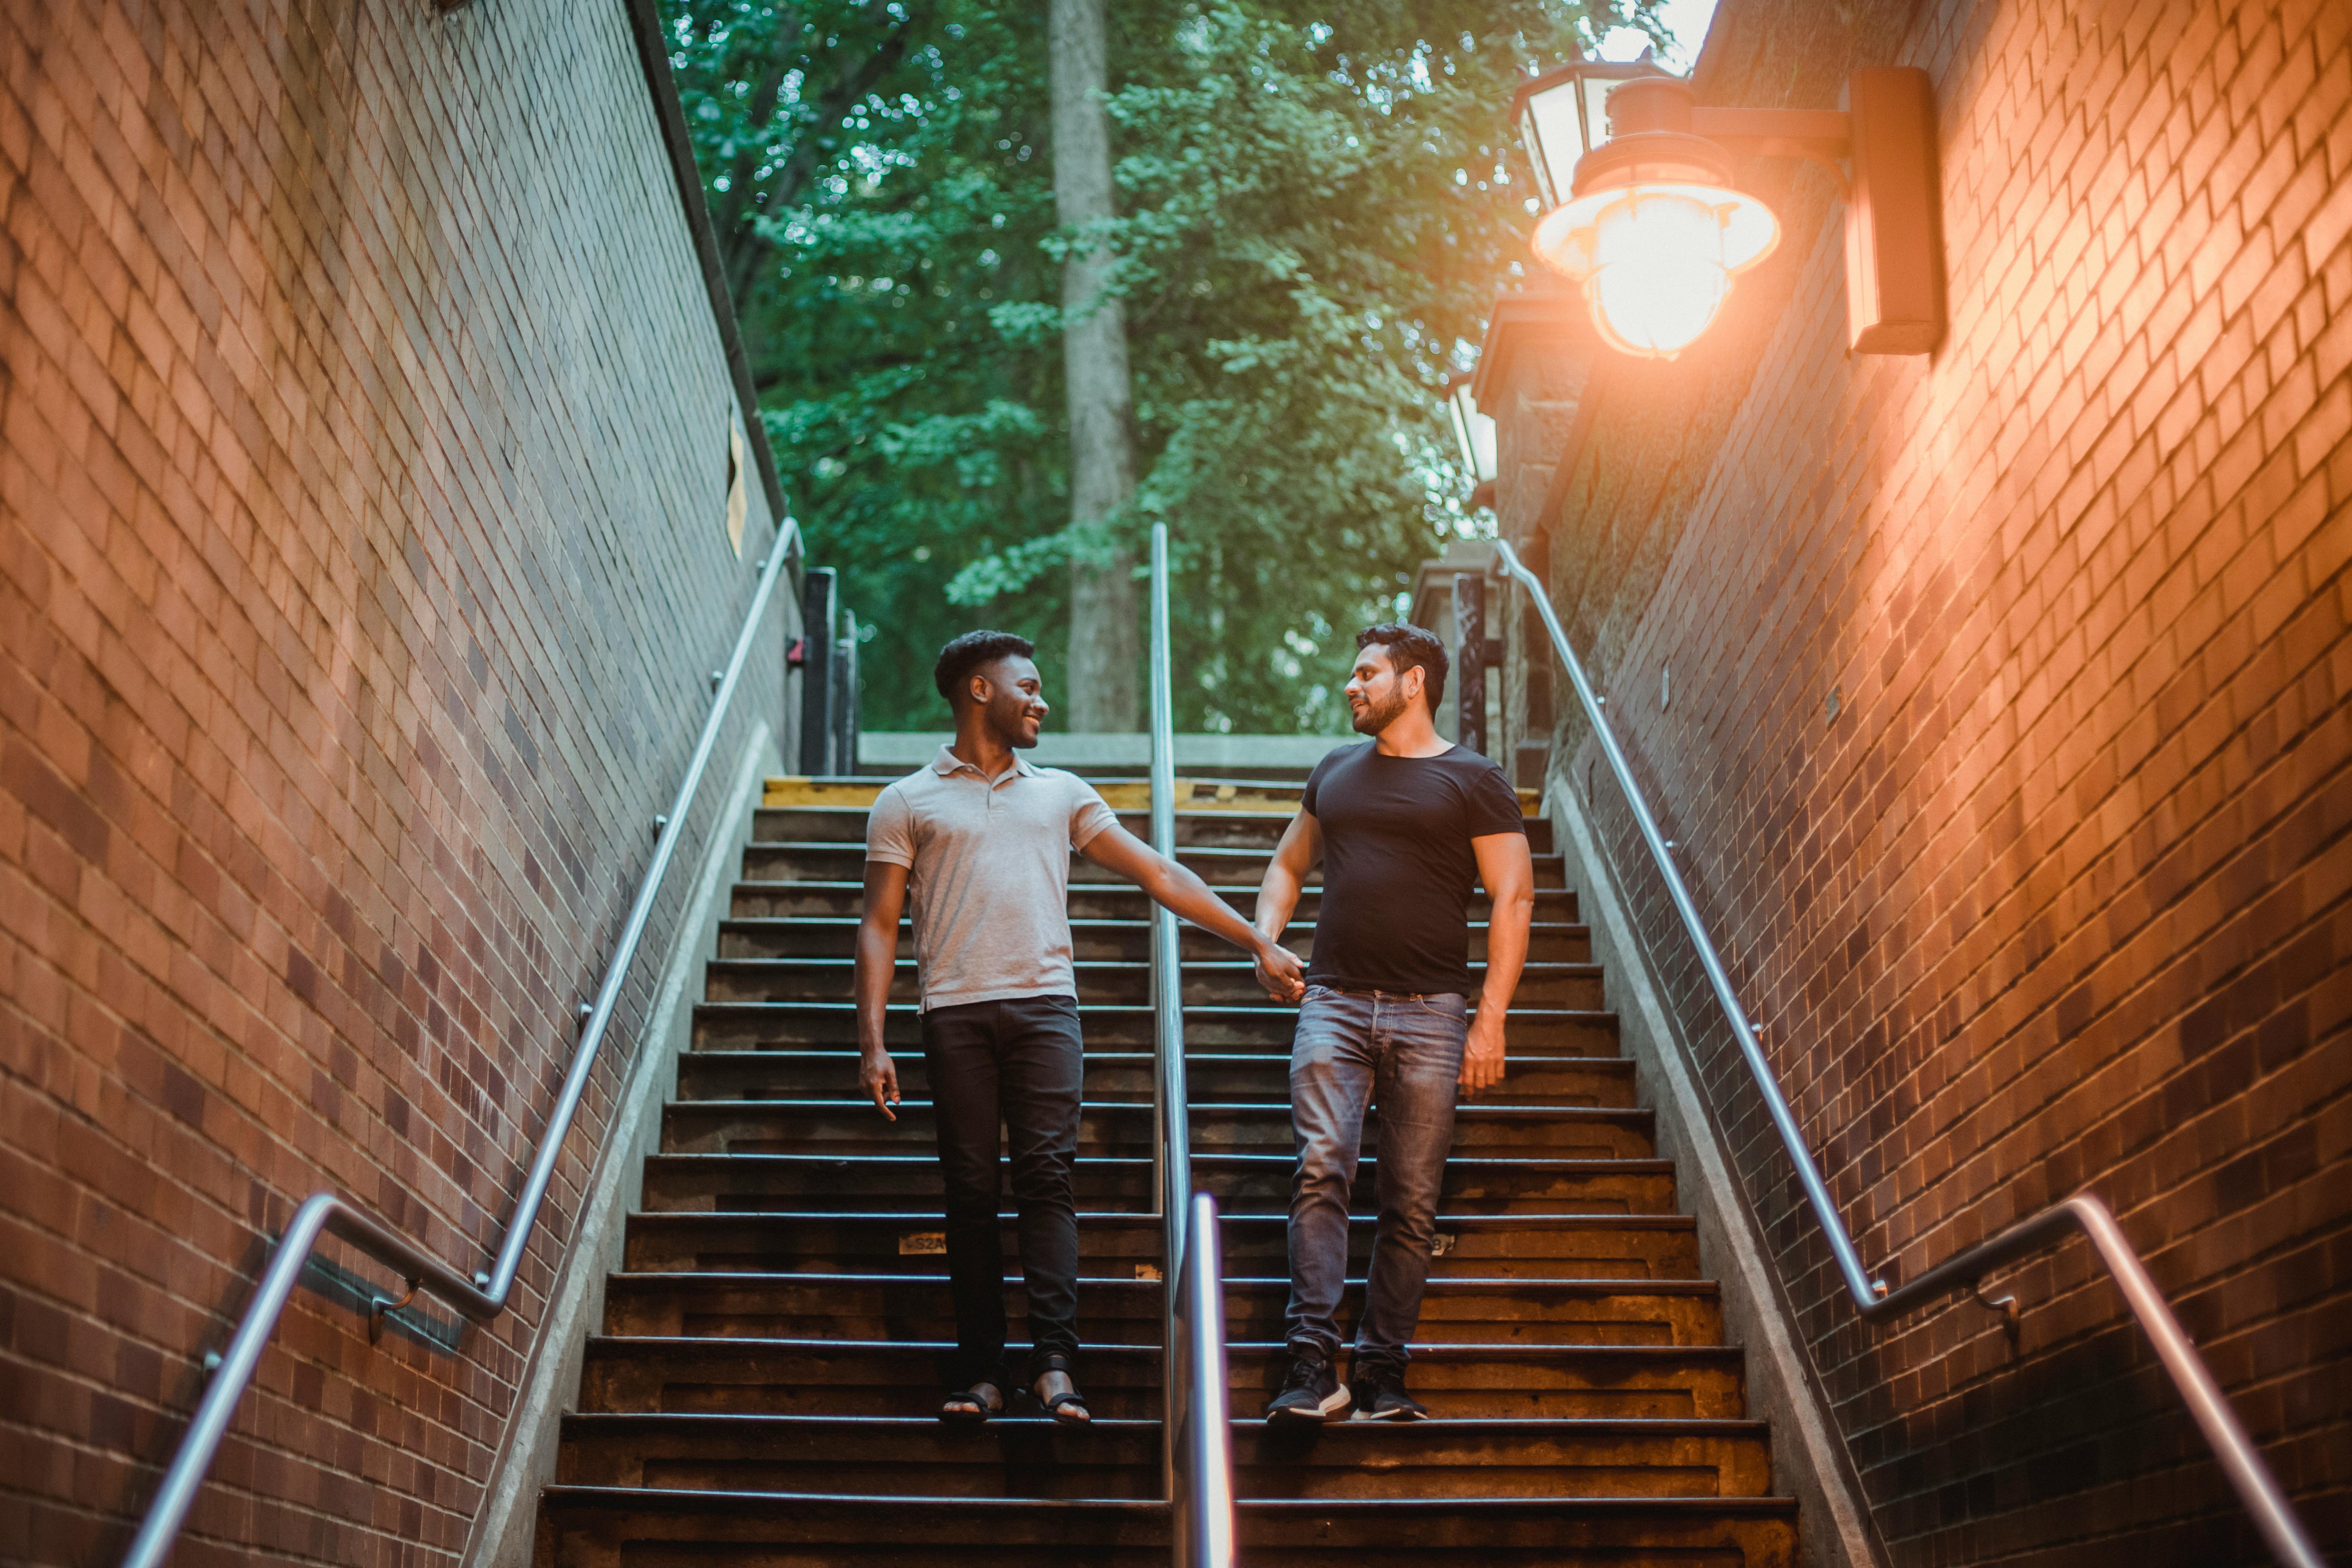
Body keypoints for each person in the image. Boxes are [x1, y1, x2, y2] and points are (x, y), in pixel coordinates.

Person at [857, 629, 1305, 1427]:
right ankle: (983, 1372)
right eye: (1027, 686)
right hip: (953, 1014)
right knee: (968, 1194)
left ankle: (1055, 1366)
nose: (1043, 701)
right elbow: (881, 924)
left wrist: (1256, 941)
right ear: (979, 691)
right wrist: (873, 1038)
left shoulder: (1060, 792)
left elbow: (1158, 871)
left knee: (1046, 1183)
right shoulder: (906, 800)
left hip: (1045, 1013)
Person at [1254, 623, 1535, 1423]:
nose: (1351, 685)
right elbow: (1288, 861)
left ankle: (1380, 1372)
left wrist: (1491, 1023)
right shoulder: (1336, 771)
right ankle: (1312, 1367)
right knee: (1321, 1172)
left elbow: (1512, 899)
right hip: (1333, 1004)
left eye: (1366, 673)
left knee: (1410, 1201)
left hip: (1432, 1014)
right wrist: (1264, 939)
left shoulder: (1474, 779)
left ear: (1413, 683)